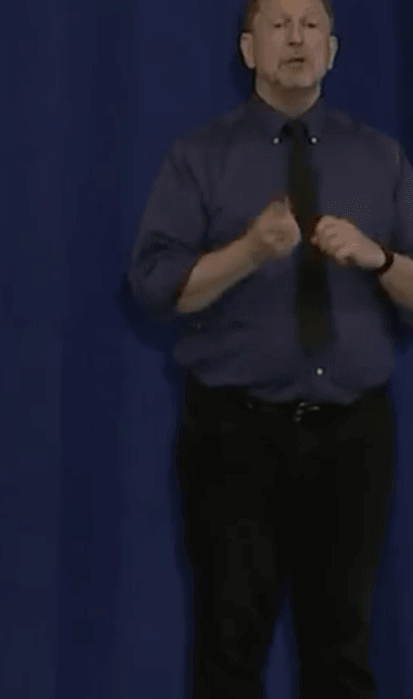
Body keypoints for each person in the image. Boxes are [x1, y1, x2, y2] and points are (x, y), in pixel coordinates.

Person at [128, 0, 413, 697]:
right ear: (248, 49)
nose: (296, 38)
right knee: (229, 648)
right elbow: (162, 292)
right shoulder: (199, 157)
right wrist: (248, 251)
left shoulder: (379, 157)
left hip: (352, 435)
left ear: (333, 50)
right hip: (234, 437)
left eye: (310, 25)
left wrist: (378, 258)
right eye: (278, 24)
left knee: (341, 649)